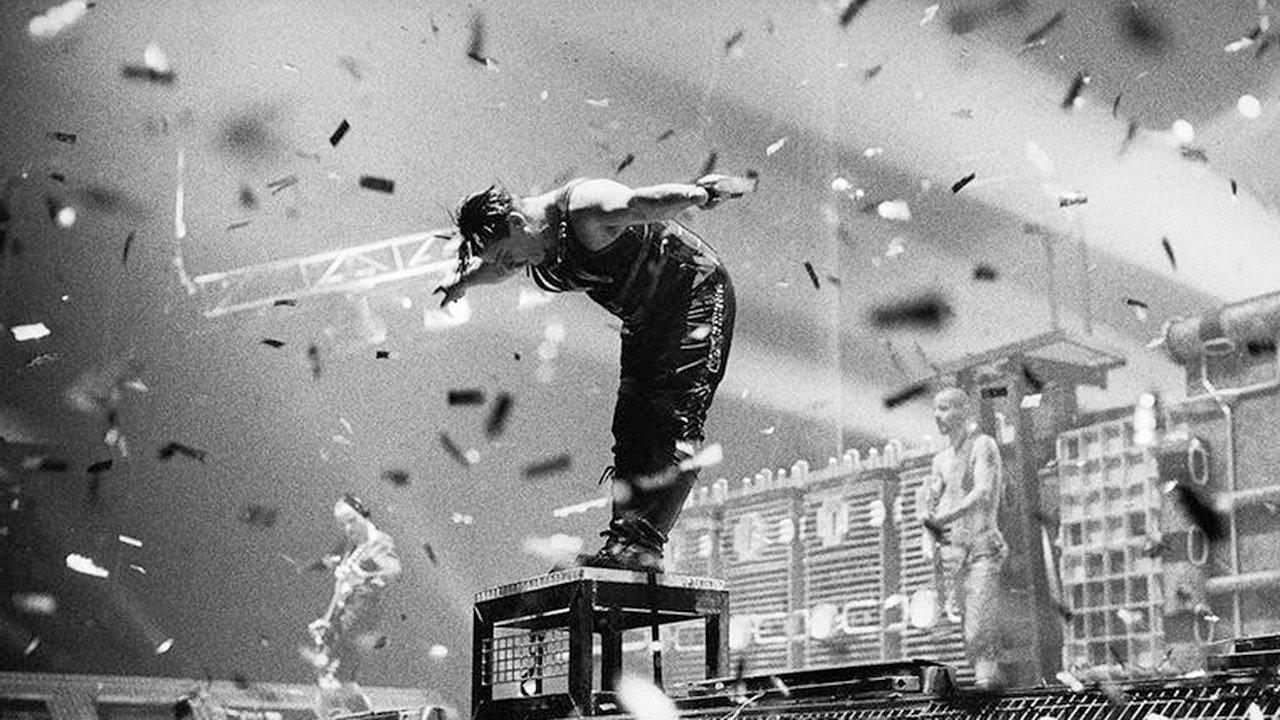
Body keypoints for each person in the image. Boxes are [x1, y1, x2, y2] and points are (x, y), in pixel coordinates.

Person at [438, 174, 743, 572]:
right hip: (644, 319)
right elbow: (496, 268)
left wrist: (699, 194)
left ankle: (644, 546)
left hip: (696, 295)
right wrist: (462, 282)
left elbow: (641, 202)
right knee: (631, 424)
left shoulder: (584, 208)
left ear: (516, 221)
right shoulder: (527, 240)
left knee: (672, 418)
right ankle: (623, 544)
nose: (508, 266)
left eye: (506, 255)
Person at [919, 388, 1007, 689]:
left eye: (945, 408)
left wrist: (943, 518)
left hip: (983, 550)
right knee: (967, 626)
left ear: (964, 411)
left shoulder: (983, 446)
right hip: (957, 556)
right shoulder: (941, 460)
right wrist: (928, 535)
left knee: (979, 627)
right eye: (935, 409)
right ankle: (985, 683)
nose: (938, 415)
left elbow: (982, 492)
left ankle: (987, 685)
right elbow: (930, 504)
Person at [305, 494, 402, 716]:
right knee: (332, 683)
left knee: (333, 682)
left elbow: (394, 570)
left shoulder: (379, 542)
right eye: (343, 524)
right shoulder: (353, 549)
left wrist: (363, 574)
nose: (348, 528)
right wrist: (326, 621)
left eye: (352, 520)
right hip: (343, 620)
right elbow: (340, 591)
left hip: (358, 621)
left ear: (363, 515)